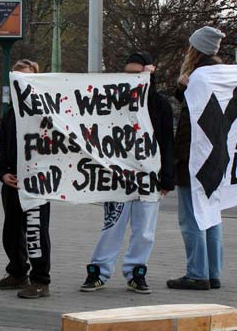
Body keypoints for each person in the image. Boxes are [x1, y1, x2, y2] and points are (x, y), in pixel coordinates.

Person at [81, 53, 175, 294]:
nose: (132, 78)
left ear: (148, 73)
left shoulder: (158, 104)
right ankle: (99, 270)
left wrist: (167, 177)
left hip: (148, 175)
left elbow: (166, 141)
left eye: (137, 74)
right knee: (112, 224)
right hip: (118, 175)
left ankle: (136, 271)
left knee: (144, 229)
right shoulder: (114, 101)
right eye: (128, 74)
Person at [167, 26, 226, 291]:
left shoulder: (199, 74)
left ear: (196, 48)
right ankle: (213, 272)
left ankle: (196, 273)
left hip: (194, 156)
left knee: (191, 218)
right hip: (215, 157)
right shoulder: (220, 73)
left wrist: (184, 87)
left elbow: (194, 117)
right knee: (211, 215)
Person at [0, 59, 52, 299]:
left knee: (35, 231)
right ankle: (17, 271)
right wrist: (2, 172)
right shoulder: (11, 114)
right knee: (12, 230)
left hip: (37, 183)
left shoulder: (45, 111)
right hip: (13, 181)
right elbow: (1, 146)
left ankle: (40, 280)